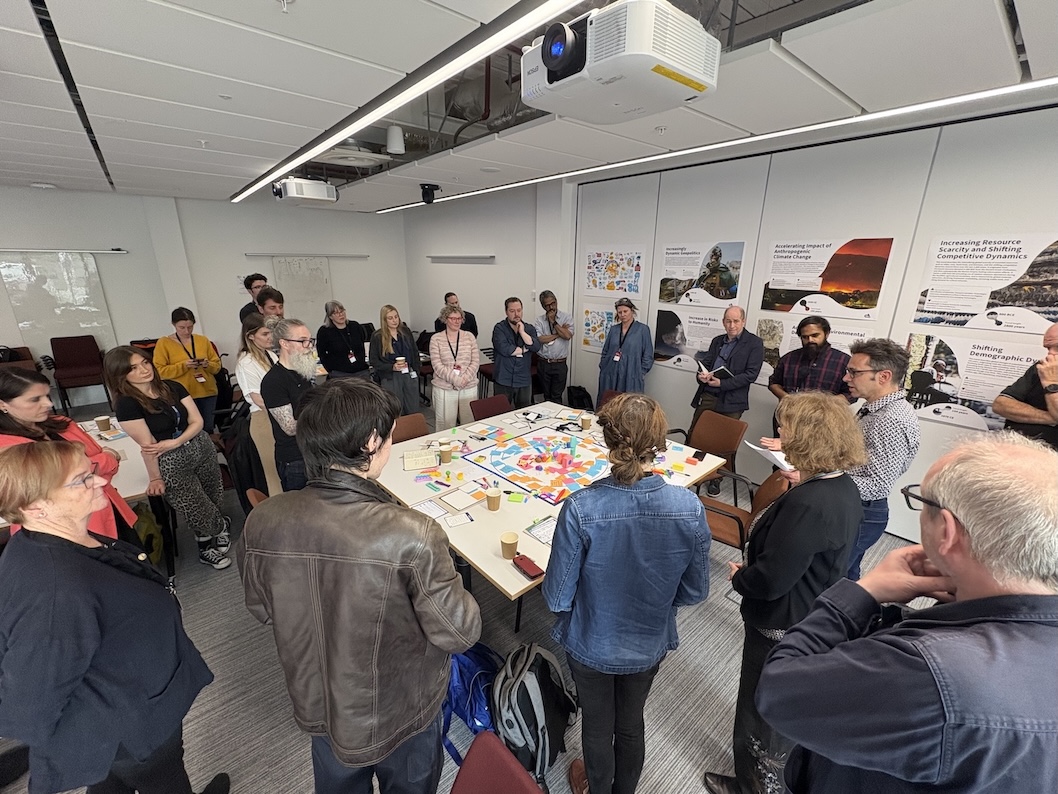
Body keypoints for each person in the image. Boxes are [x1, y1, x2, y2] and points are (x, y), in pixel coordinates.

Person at [756, 433, 1058, 792]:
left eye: (920, 501)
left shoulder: (930, 671)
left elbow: (779, 692)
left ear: (946, 531)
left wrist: (863, 592)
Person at [238, 378, 481, 794]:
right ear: (372, 442)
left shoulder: (263, 519)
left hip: (319, 705)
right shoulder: (413, 533)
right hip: (402, 712)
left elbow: (260, 608)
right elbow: (460, 633)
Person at [0, 442, 229, 794]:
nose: (98, 482)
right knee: (164, 782)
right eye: (82, 480)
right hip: (131, 724)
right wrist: (89, 734)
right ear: (35, 506)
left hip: (121, 715)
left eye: (91, 472)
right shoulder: (58, 592)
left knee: (111, 781)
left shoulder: (42, 541)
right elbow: (31, 701)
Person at [544, 392, 710, 794]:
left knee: (597, 727)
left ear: (609, 441)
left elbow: (556, 598)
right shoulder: (689, 506)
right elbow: (694, 591)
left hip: (590, 643)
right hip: (647, 641)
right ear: (659, 442)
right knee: (631, 723)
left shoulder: (581, 507)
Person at [703, 392, 866, 794]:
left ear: (808, 438)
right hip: (813, 611)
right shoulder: (841, 486)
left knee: (759, 708)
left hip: (780, 622)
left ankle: (752, 786)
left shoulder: (809, 504)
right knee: (780, 705)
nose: (779, 432)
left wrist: (741, 578)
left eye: (786, 427)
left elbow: (771, 579)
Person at [105, 346, 232, 570]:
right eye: (133, 368)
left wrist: (177, 441)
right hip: (170, 460)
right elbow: (150, 447)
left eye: (145, 363)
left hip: (199, 445)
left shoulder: (172, 386)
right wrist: (155, 478)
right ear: (120, 375)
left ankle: (217, 527)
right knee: (196, 506)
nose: (144, 370)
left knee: (213, 495)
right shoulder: (127, 404)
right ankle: (210, 541)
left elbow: (197, 421)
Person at [0, 368, 138, 544]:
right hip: (60, 527)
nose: (48, 404)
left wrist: (96, 466)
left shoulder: (63, 424)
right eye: (35, 399)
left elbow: (101, 471)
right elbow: (57, 481)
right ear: (3, 404)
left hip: (106, 506)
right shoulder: (6, 447)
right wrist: (105, 458)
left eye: (46, 395)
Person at [840, 338, 920, 580]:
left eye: (854, 372)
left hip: (863, 511)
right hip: (856, 506)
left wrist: (824, 480)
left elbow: (878, 485)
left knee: (831, 576)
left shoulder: (889, 420)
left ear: (883, 376)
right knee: (846, 573)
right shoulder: (876, 409)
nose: (846, 378)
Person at [260, 318, 316, 492]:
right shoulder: (273, 381)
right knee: (299, 514)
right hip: (295, 460)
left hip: (313, 452)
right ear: (284, 343)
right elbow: (290, 427)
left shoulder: (303, 373)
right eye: (302, 341)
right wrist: (324, 417)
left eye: (310, 340)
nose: (309, 346)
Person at [152, 307, 222, 433]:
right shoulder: (164, 343)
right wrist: (183, 366)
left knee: (208, 428)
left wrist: (207, 365)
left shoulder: (202, 340)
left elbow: (217, 366)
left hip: (207, 391)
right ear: (173, 325)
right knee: (191, 430)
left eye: (190, 327)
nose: (186, 331)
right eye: (182, 327)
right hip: (182, 394)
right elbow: (160, 371)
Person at [691, 306, 764, 426]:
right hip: (709, 396)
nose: (732, 326)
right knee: (695, 434)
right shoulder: (717, 341)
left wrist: (722, 383)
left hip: (732, 402)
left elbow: (751, 374)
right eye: (728, 321)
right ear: (723, 322)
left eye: (736, 321)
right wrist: (701, 375)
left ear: (743, 321)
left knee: (723, 440)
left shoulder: (754, 343)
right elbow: (706, 363)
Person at [234, 314, 282, 497]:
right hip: (264, 418)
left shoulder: (269, 354)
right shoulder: (246, 362)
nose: (271, 337)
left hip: (279, 415)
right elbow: (257, 399)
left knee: (284, 468)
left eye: (271, 333)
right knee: (274, 472)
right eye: (265, 334)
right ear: (251, 336)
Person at [991, 321, 1058, 449]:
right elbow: (1000, 404)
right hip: (1015, 448)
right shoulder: (1040, 368)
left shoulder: (1047, 372)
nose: (1050, 355)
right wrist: (1050, 418)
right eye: (1048, 348)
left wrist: (1051, 383)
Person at [767, 315, 851, 402]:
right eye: (805, 337)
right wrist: (787, 398)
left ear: (826, 334)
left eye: (815, 335)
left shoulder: (844, 361)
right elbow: (774, 383)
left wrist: (825, 404)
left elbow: (851, 393)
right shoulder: (788, 359)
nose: (810, 340)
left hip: (825, 414)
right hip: (788, 413)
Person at [429, 304, 479, 430]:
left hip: (468, 385)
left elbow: (475, 361)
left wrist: (465, 378)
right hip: (445, 387)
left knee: (469, 424)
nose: (457, 321)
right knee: (445, 425)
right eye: (453, 318)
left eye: (459, 318)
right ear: (445, 319)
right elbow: (437, 365)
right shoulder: (436, 339)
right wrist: (455, 380)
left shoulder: (469, 337)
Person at [369, 304, 421, 416]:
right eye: (390, 318)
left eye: (396, 317)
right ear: (384, 320)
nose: (394, 320)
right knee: (396, 410)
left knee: (413, 408)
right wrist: (392, 367)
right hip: (390, 377)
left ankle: (414, 431)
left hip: (409, 374)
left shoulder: (405, 331)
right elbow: (373, 360)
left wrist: (416, 371)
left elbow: (415, 353)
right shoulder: (377, 336)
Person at [492, 296, 541, 409]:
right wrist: (524, 349)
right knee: (500, 414)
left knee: (524, 415)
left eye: (519, 310)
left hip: (523, 379)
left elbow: (536, 346)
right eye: (512, 311)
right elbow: (505, 349)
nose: (516, 314)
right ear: (506, 312)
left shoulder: (529, 328)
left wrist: (522, 332)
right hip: (504, 378)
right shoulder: (499, 328)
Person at [598, 297, 653, 398]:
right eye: (620, 312)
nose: (623, 315)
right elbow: (605, 350)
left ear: (632, 311)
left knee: (629, 403)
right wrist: (603, 365)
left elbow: (648, 354)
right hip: (611, 372)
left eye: (625, 311)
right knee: (609, 401)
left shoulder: (642, 330)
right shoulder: (614, 330)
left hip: (631, 373)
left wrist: (640, 372)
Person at [533, 290, 573, 404]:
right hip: (544, 363)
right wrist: (557, 334)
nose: (552, 307)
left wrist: (554, 322)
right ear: (543, 306)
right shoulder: (539, 320)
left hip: (559, 363)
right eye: (548, 305)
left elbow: (567, 335)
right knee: (546, 397)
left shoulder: (566, 317)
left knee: (556, 397)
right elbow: (540, 339)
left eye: (553, 303)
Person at [316, 300, 370, 380]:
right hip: (339, 373)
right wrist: (330, 370)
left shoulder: (355, 326)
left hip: (361, 371)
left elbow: (361, 344)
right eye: (336, 313)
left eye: (342, 311)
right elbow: (322, 353)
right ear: (330, 316)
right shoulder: (324, 332)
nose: (341, 315)